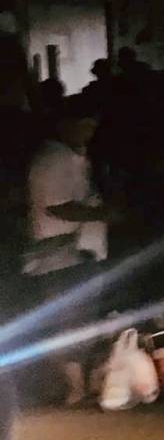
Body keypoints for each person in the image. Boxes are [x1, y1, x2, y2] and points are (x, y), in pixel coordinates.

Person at [21, 97, 108, 408]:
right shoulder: (54, 159)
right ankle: (74, 389)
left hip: (72, 255)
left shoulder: (68, 156)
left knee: (74, 321)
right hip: (63, 257)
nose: (90, 132)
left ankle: (77, 386)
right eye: (86, 125)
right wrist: (104, 214)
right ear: (66, 125)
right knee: (71, 322)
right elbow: (59, 206)